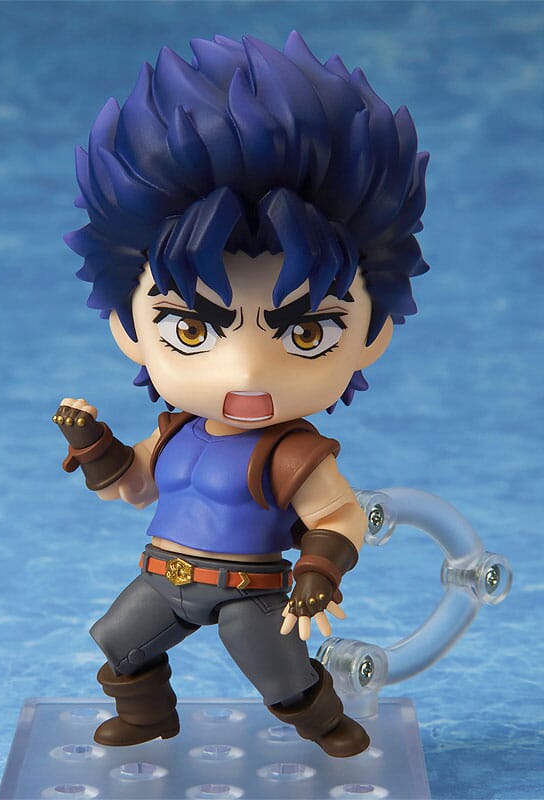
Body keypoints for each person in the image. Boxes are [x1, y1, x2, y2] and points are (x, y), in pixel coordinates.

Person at [54, 31, 429, 758]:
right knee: (118, 643)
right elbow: (131, 484)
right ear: (128, 329)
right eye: (193, 329)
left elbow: (339, 516)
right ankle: (148, 716)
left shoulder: (294, 453)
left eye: (307, 332)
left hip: (250, 589)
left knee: (280, 676)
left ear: (372, 334)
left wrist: (317, 571)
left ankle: (327, 725)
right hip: (164, 576)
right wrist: (91, 443)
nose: (247, 371)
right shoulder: (175, 433)